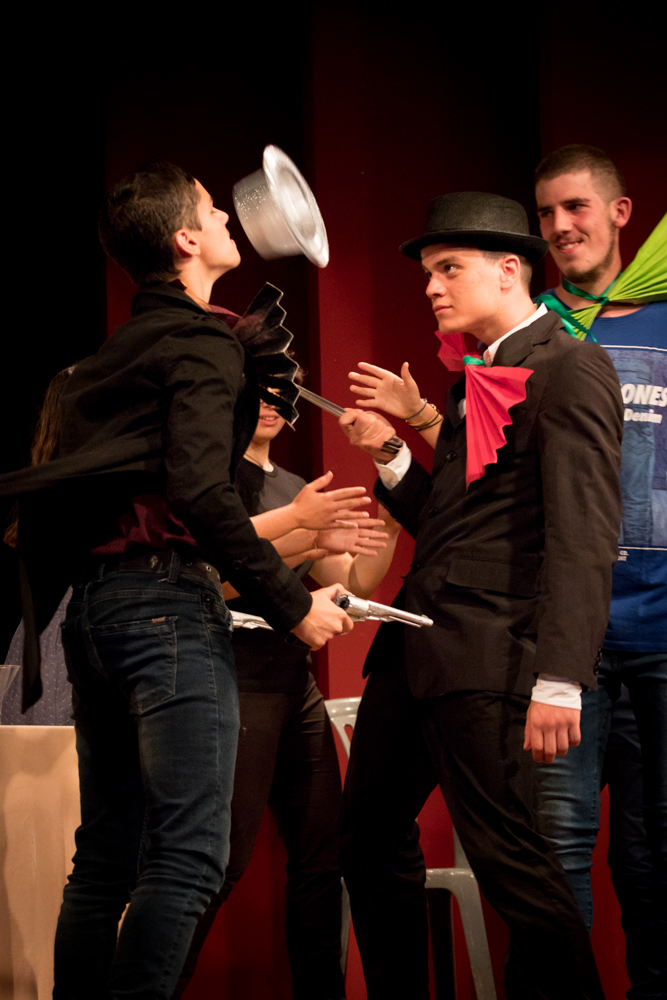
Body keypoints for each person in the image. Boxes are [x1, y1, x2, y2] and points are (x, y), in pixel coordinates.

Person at [0, 162, 366, 999]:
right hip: (164, 610)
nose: (229, 217)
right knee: (190, 858)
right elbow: (201, 493)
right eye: (212, 209)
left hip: (93, 615)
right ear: (185, 239)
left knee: (105, 858)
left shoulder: (110, 355)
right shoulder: (199, 342)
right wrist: (291, 605)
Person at [335, 191, 623, 1000]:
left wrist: (559, 677)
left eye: (447, 268)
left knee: (511, 863)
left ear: (507, 270)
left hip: (487, 655)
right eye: (428, 272)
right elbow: (452, 528)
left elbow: (582, 534)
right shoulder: (477, 377)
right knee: (364, 836)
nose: (431, 287)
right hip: (418, 649)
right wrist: (392, 454)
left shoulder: (568, 367)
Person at [174, 393, 401, 999]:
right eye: (260, 386)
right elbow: (208, 578)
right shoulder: (215, 480)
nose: (273, 401)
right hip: (234, 676)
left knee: (321, 857)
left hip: (293, 682)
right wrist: (304, 542)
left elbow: (352, 578)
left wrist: (390, 515)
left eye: (284, 388)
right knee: (221, 859)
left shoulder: (296, 485)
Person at [532, 144, 666, 998]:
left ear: (619, 213)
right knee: (556, 849)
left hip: (663, 631)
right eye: (546, 213)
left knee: (654, 855)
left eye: (575, 207)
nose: (559, 226)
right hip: (567, 642)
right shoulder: (534, 332)